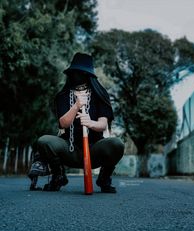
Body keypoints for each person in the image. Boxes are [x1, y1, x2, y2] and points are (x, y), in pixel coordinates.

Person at [28, 52, 124, 193]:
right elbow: (63, 124)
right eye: (74, 72)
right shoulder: (63, 95)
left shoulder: (100, 95)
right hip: (69, 149)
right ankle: (58, 176)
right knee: (44, 141)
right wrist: (77, 105)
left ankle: (104, 178)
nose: (77, 76)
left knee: (117, 144)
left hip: (93, 151)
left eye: (81, 73)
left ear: (88, 75)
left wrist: (90, 123)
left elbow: (103, 124)